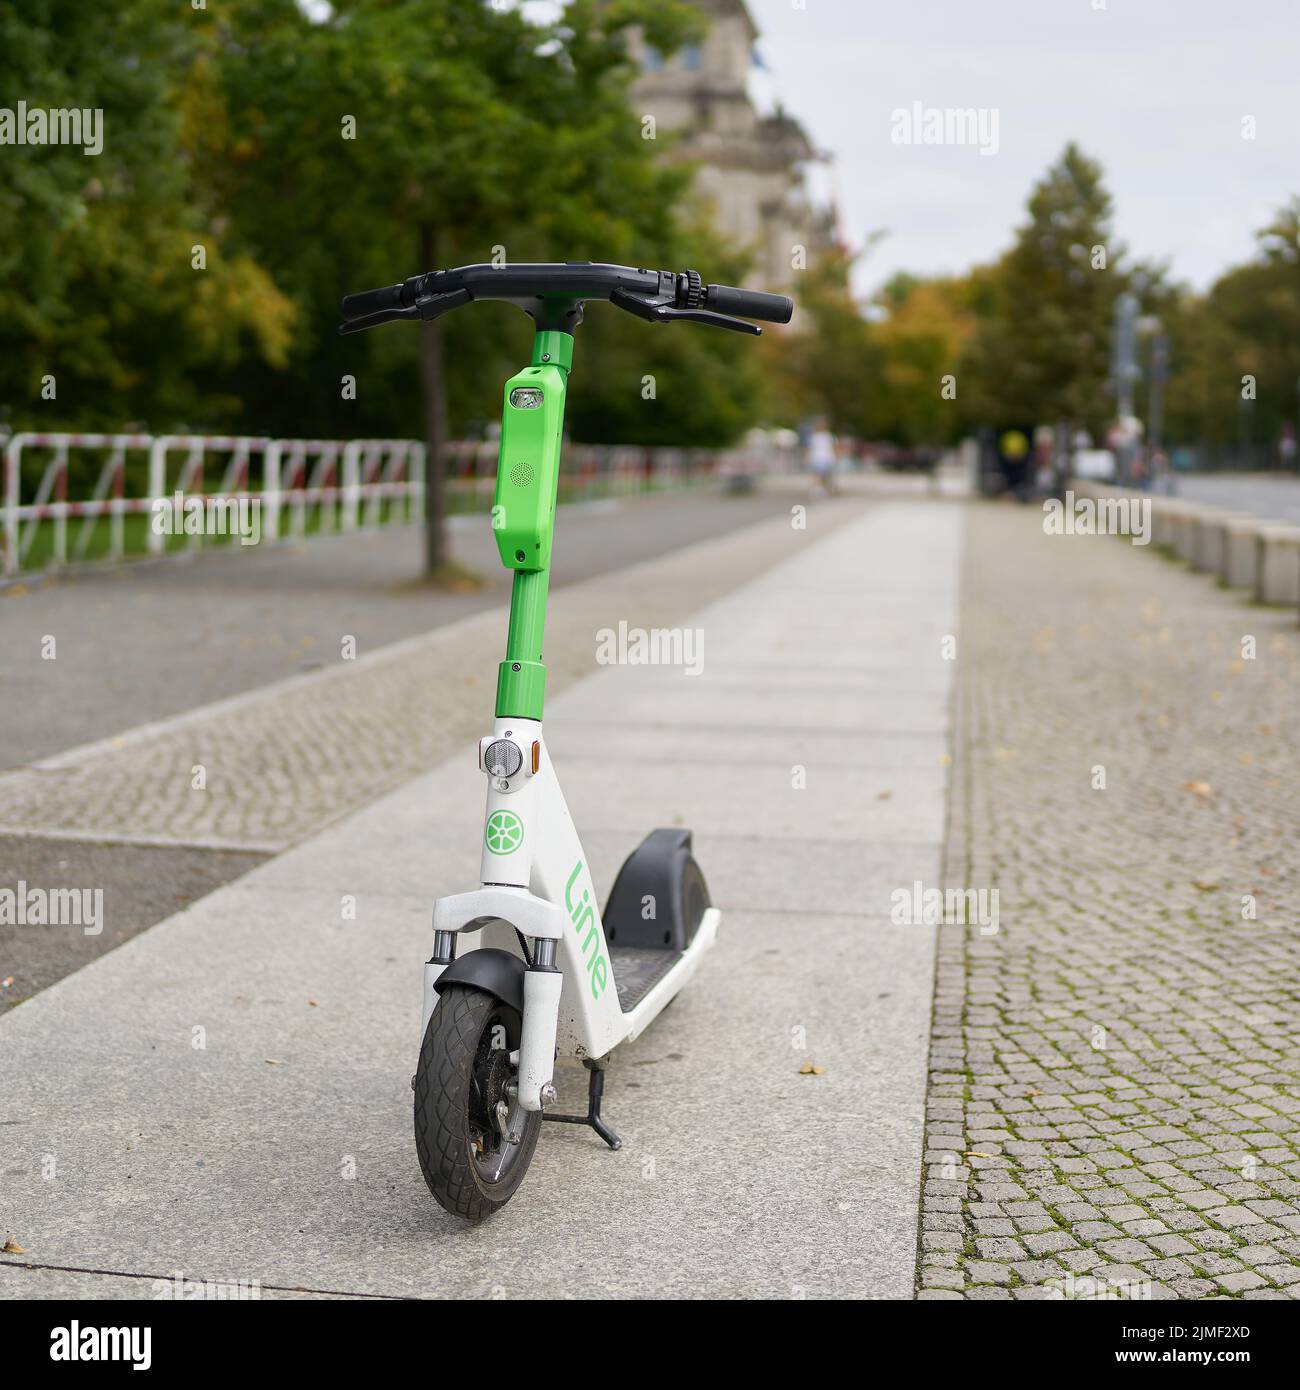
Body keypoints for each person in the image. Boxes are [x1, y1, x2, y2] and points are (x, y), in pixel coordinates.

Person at [808, 420, 837, 495]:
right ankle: (818, 489)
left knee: (820, 475)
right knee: (821, 475)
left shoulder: (815, 437)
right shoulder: (828, 436)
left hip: (819, 458)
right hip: (824, 458)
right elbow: (834, 448)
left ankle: (819, 488)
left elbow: (810, 448)